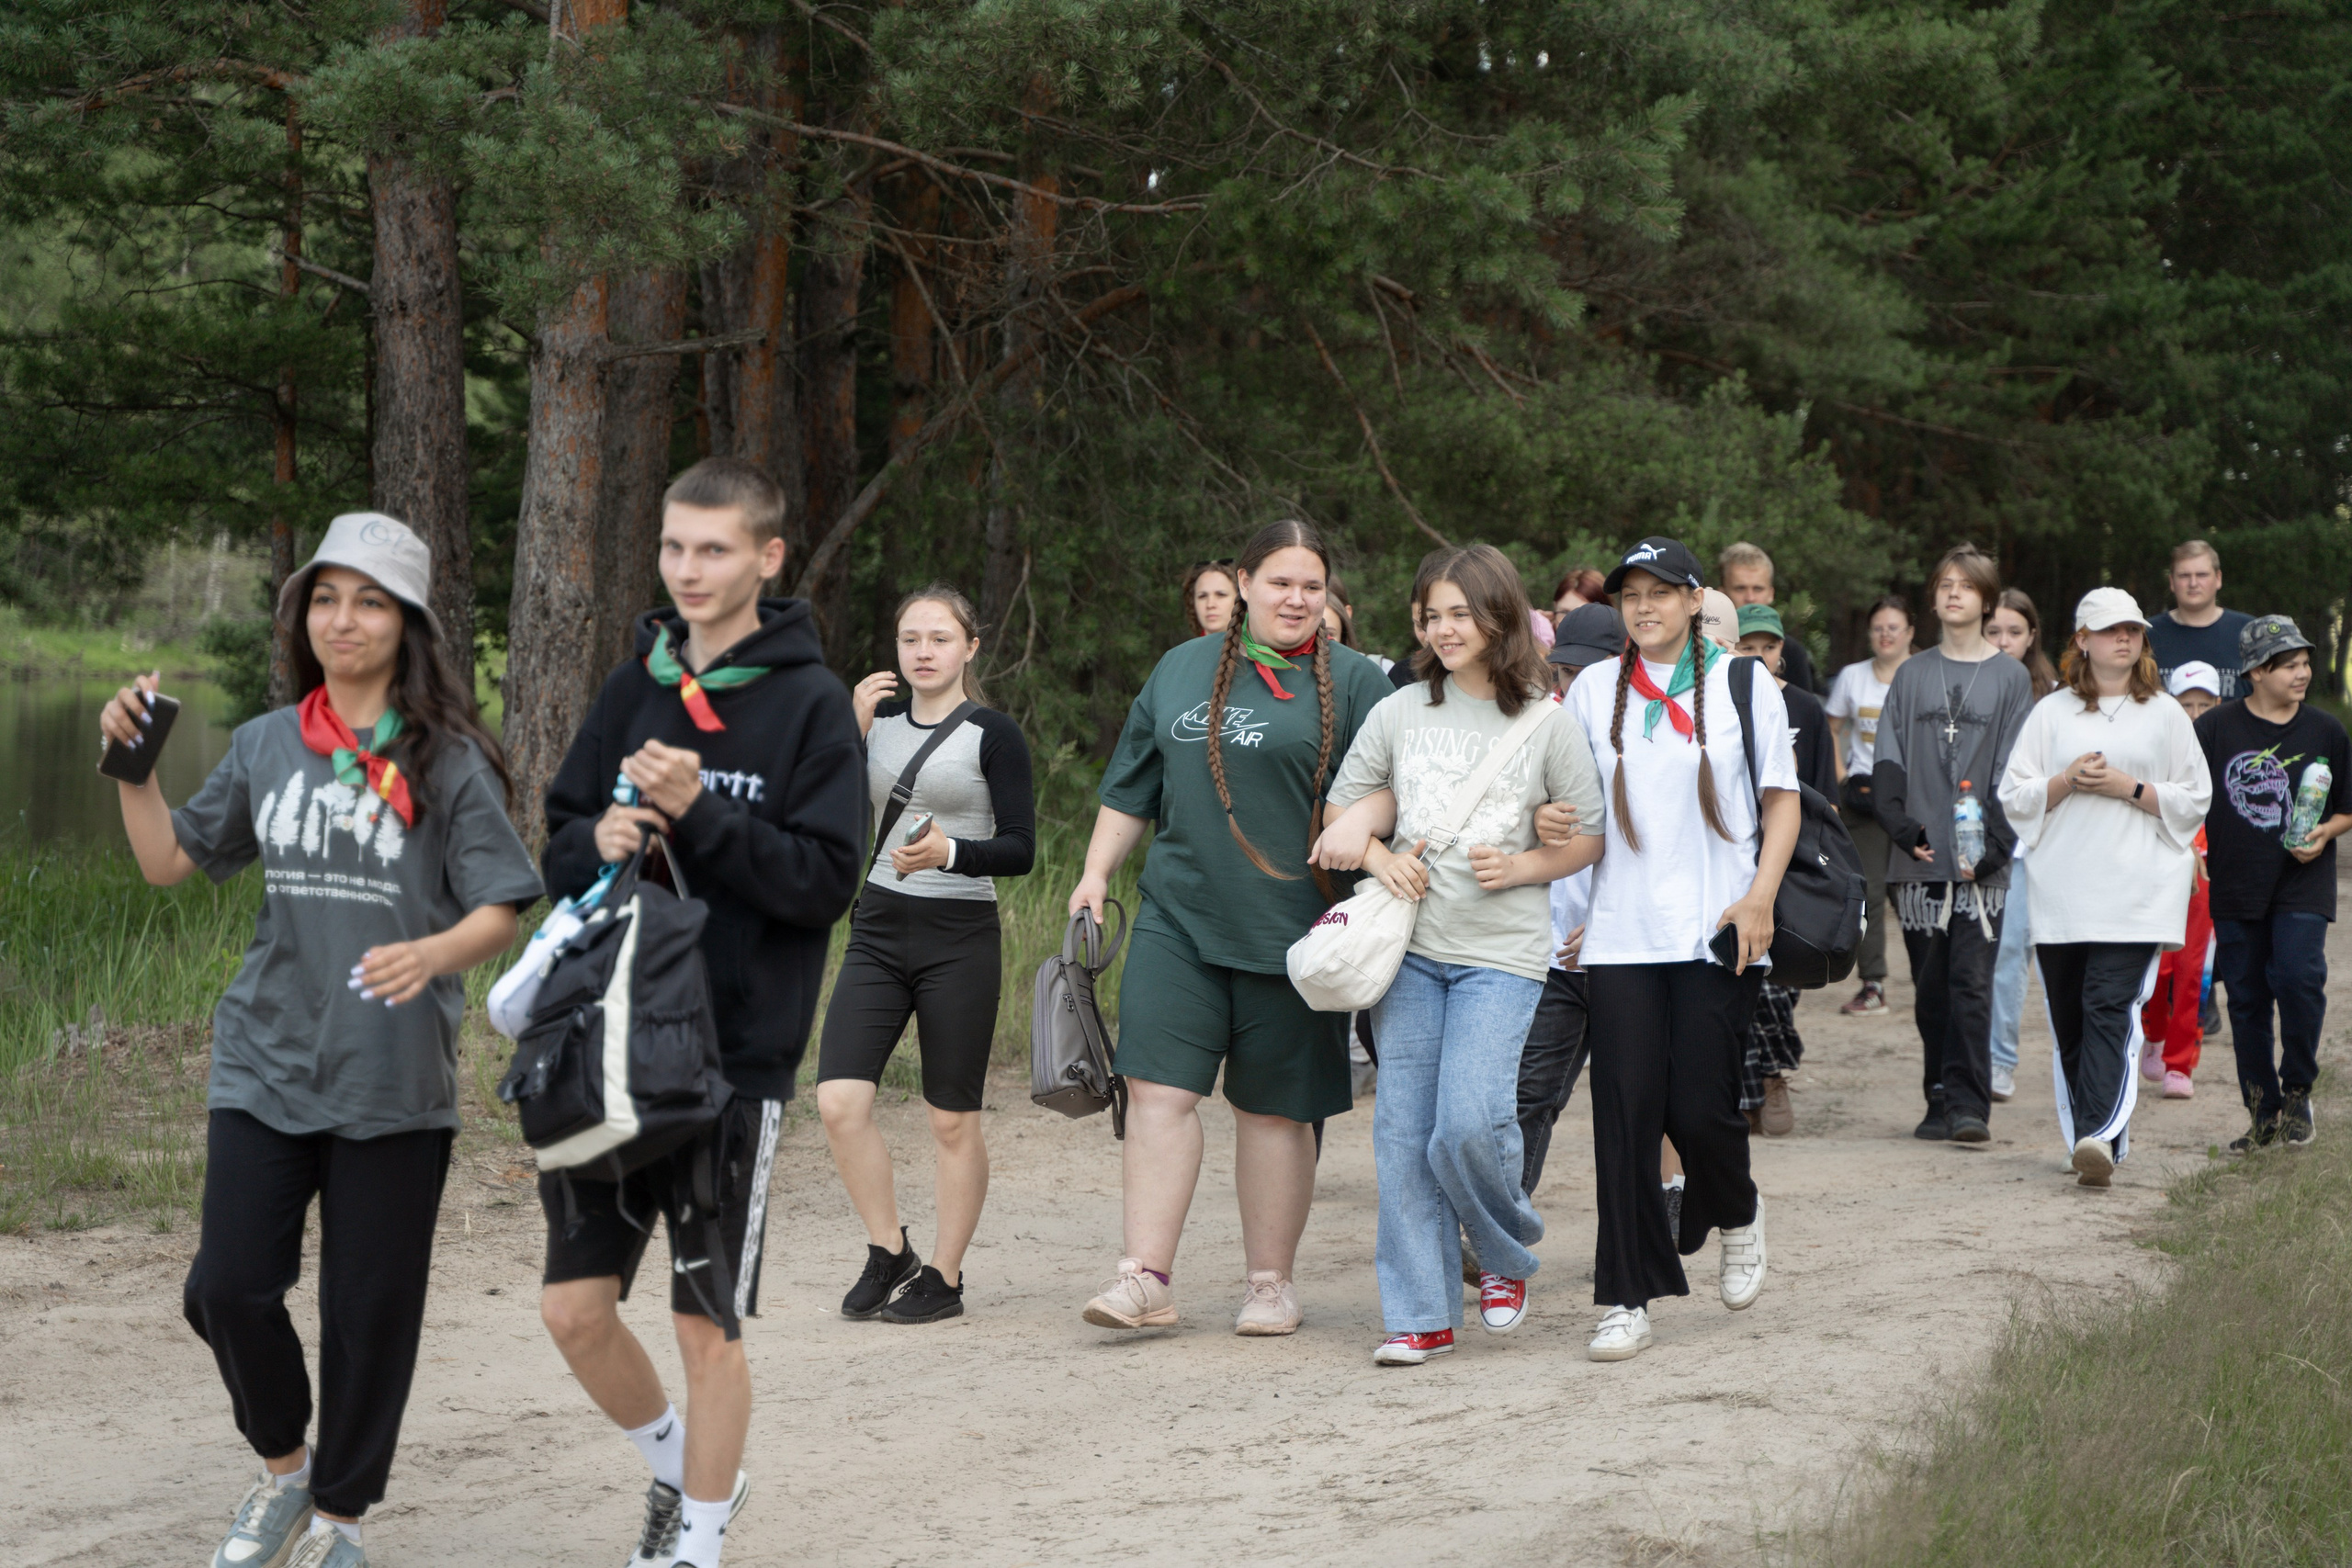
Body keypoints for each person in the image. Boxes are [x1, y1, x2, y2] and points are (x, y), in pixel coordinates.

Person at [100, 513, 540, 1568]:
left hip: (393, 1078)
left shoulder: (448, 763)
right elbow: (168, 862)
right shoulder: (265, 744)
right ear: (304, 616)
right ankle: (286, 1471)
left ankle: (340, 1521)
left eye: (371, 600)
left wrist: (436, 955)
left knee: (369, 1309)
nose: (344, 619)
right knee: (227, 1288)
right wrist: (131, 769)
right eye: (327, 598)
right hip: (267, 1058)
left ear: (409, 624)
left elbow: (501, 905)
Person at [538, 457, 865, 1568]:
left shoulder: (810, 703)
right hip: (609, 1045)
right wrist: (602, 839)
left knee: (700, 1325)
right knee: (574, 1313)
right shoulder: (636, 682)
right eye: (675, 547)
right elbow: (560, 831)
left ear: (767, 559)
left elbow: (826, 883)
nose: (688, 569)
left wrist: (697, 815)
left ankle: (700, 1545)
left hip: (736, 1058)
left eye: (714, 549)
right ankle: (683, 1470)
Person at [1069, 519, 1395, 1336]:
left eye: (1312, 586)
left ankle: (1269, 1284)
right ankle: (1145, 1276)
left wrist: (1366, 824)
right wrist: (1096, 872)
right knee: (1156, 1090)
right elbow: (1131, 785)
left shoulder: (1356, 682)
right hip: (1180, 916)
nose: (1297, 598)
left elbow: (1396, 785)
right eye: (1280, 582)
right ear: (1241, 583)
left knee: (1275, 1111)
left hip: (1298, 932)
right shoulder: (1182, 668)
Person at [1310, 546, 1606, 1365]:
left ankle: (1505, 1249)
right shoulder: (1402, 711)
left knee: (1469, 1122)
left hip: (1502, 955)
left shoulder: (1547, 719)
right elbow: (1342, 815)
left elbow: (1586, 837)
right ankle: (1421, 1315)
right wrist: (1380, 860)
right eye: (1430, 614)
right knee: (1405, 1134)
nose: (1443, 629)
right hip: (1410, 951)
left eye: (1459, 613)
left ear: (1500, 616)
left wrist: (1523, 866)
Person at [1565, 536, 1801, 1363]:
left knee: (1699, 1107)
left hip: (1718, 925)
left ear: (1695, 599)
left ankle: (1736, 1208)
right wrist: (1566, 885)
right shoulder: (1594, 689)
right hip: (1623, 932)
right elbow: (1575, 812)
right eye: (1631, 594)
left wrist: (1760, 896)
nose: (1645, 607)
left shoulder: (1743, 682)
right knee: (1625, 1116)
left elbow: (1781, 800)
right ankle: (1626, 1295)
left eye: (1662, 592)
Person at [818, 586, 1035, 1325]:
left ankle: (943, 1275)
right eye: (910, 637)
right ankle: (890, 1250)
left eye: (940, 638)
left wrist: (952, 851)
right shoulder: (875, 721)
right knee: (839, 1102)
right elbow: (824, 807)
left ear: (970, 647)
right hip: (878, 928)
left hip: (960, 938)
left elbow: (1022, 849)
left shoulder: (993, 733)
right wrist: (844, 730)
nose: (922, 651)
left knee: (951, 1120)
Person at [1998, 589, 2211, 1186]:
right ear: (2082, 640)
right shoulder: (2052, 713)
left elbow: (2196, 797)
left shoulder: (2165, 713)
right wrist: (2067, 780)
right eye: (2109, 629)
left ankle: (2099, 1132)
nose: (2124, 637)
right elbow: (2014, 796)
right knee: (2069, 1017)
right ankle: (2097, 1138)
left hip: (2138, 894)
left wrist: (2127, 786)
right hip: (2063, 891)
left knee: (2107, 1007)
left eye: (2133, 629)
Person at [1873, 546, 2033, 1145]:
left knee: (1971, 980)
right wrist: (1902, 827)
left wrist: (1991, 848)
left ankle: (1969, 1103)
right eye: (1944, 583)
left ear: (1986, 598)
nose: (1954, 593)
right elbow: (1886, 757)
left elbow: (2019, 770)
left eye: (1966, 585)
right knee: (1931, 984)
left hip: (1982, 863)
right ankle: (1937, 1094)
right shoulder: (1912, 674)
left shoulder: (2012, 678)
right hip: (1917, 860)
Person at [2195, 615, 2352, 1151]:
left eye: (2306, 662)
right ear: (2256, 672)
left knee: (2299, 977)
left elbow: (2347, 807)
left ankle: (2298, 1088)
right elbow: (2185, 796)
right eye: (2290, 665)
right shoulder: (2214, 729)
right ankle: (2264, 1113)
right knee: (2247, 999)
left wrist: (2325, 831)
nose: (2304, 673)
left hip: (2302, 880)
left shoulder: (2326, 731)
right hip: (2237, 882)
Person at [1732, 603, 1835, 1136]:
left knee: (1777, 984)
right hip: (1729, 860)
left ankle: (1772, 1076)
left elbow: (1821, 800)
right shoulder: (1721, 700)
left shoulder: (1805, 709)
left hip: (1787, 864)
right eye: (1747, 646)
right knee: (1737, 978)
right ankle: (1747, 1092)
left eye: (1767, 646)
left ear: (1781, 652)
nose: (1758, 654)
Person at [1983, 588, 2059, 1102]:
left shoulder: (2056, 695)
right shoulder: (1970, 686)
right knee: (2007, 952)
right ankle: (1998, 1060)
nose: (2005, 641)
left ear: (2032, 636)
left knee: (2059, 956)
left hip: (2051, 843)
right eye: (1995, 632)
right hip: (1995, 844)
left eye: (2015, 632)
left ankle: (2074, 1061)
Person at [2135, 663, 2222, 1100]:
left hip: (2205, 871)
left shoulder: (2226, 746)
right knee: (2157, 967)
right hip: (2161, 863)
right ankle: (2153, 1033)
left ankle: (2180, 1062)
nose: (2195, 713)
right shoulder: (2157, 746)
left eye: (2204, 705)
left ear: (2218, 705)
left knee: (2192, 968)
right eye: (2186, 704)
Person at [1826, 594, 1915, 1015]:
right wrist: (1840, 776)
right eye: (1878, 627)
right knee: (1870, 891)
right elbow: (1832, 727)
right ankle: (1873, 983)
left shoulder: (1922, 675)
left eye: (1893, 627)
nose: (1885, 635)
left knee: (1916, 890)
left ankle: (1932, 977)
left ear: (1910, 633)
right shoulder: (1853, 677)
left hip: (1914, 798)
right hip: (1863, 795)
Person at [2145, 539, 2253, 699]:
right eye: (2184, 576)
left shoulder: (2249, 631)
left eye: (2202, 575)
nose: (2193, 583)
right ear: (2172, 582)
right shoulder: (2148, 634)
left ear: (2218, 578)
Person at [1719, 541, 1820, 694]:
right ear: (1722, 593)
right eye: (1740, 588)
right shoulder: (1702, 646)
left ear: (1771, 593)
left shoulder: (1792, 652)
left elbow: (1802, 711)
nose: (1750, 597)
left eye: (1758, 589)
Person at [1182, 558, 1239, 639]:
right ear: (1192, 602)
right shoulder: (1182, 651)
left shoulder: (1259, 649)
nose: (1210, 604)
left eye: (1221, 595)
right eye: (1202, 596)